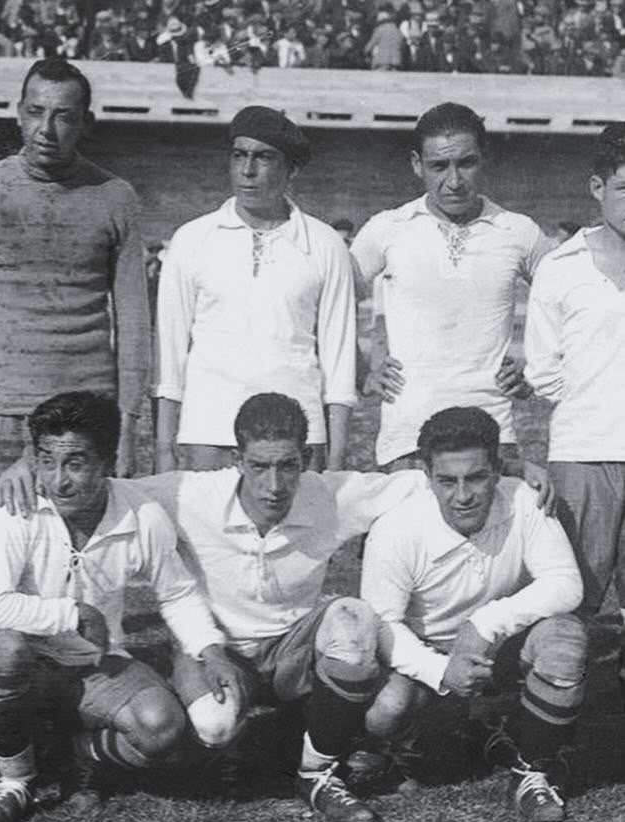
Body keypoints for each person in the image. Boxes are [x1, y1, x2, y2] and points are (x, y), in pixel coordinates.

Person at [139, 393, 426, 822]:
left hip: (295, 646)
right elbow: (110, 493)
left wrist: (520, 476)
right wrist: (28, 466)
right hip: (220, 648)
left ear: (305, 458)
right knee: (213, 727)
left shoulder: (331, 494)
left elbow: (427, 480)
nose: (274, 485)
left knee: (354, 620)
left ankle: (317, 772)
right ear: (236, 459)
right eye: (259, 466)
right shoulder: (190, 494)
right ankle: (276, 735)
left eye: (287, 466)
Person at [0, 390, 223, 822]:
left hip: (95, 663)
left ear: (107, 462)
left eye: (75, 464)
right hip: (29, 663)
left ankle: (72, 756)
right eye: (47, 461)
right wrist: (73, 614)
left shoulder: (142, 513)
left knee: (162, 728)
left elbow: (177, 594)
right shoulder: (18, 503)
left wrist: (210, 650)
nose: (58, 480)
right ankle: (15, 781)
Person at [0, 58, 150, 507]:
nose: (45, 128)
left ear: (86, 122)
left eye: (63, 116)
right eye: (35, 112)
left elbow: (134, 325)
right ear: (18, 112)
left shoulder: (116, 198)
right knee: (1, 556)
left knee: (82, 558)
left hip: (86, 411)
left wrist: (127, 429)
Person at [360, 407, 586, 822]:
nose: (462, 496)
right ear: (427, 477)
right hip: (423, 651)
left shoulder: (525, 499)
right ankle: (410, 740)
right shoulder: (397, 528)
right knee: (386, 707)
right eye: (447, 481)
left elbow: (566, 584)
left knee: (564, 639)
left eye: (476, 477)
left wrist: (485, 624)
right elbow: (382, 622)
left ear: (498, 471)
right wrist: (439, 669)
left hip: (493, 645)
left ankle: (534, 771)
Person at [350, 102, 552, 469]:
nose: (454, 181)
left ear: (483, 159)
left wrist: (535, 372)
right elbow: (328, 299)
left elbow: (572, 300)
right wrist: (361, 371)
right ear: (417, 165)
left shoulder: (519, 231)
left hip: (492, 432)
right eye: (439, 166)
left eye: (466, 163)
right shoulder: (388, 228)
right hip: (408, 434)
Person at [154, 106, 356, 474]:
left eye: (263, 158)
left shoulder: (325, 244)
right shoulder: (192, 239)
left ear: (291, 169)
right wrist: (165, 449)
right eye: (239, 156)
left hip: (297, 437)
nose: (247, 171)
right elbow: (170, 352)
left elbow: (339, 362)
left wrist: (337, 459)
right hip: (209, 431)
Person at [524, 123, 625, 638]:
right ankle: (554, 702)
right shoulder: (563, 267)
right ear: (598, 189)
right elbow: (543, 371)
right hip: (585, 454)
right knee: (572, 596)